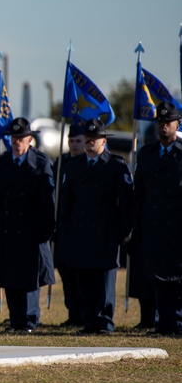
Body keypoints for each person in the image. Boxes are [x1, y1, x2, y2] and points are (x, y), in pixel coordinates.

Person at [57, 118, 132, 335]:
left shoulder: (115, 165)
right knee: (85, 280)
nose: (90, 142)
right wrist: (65, 228)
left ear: (103, 141)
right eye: (87, 139)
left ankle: (104, 322)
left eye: (94, 139)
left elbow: (125, 202)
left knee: (104, 282)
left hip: (106, 231)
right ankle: (89, 321)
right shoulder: (73, 166)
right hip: (80, 231)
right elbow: (66, 202)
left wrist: (124, 231)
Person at [0, 118, 56, 333]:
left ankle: (30, 320)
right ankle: (15, 320)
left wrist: (47, 229)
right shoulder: (1, 164)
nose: (17, 142)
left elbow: (47, 200)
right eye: (14, 138)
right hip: (7, 228)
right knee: (10, 277)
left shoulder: (41, 163)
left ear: (29, 140)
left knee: (29, 277)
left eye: (21, 138)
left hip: (31, 229)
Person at [131, 101, 182, 336]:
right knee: (158, 279)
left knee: (177, 279)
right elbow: (139, 193)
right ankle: (164, 324)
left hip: (177, 228)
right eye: (160, 123)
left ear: (177, 124)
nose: (163, 126)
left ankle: (177, 323)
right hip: (153, 226)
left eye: (167, 122)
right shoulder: (147, 154)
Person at [54, 123, 87, 326]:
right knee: (65, 271)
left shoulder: (87, 162)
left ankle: (84, 313)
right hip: (63, 226)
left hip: (82, 228)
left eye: (78, 141)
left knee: (81, 273)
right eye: (71, 141)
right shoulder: (61, 163)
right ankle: (73, 313)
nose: (74, 145)